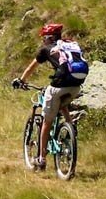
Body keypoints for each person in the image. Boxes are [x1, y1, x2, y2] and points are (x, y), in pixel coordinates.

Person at [13, 23, 88, 170]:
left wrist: (21, 81)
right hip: (76, 85)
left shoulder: (46, 49)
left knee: (47, 121)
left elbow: (31, 67)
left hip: (58, 86)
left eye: (44, 38)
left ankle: (41, 159)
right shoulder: (70, 45)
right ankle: (70, 127)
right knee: (62, 103)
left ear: (50, 37)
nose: (43, 41)